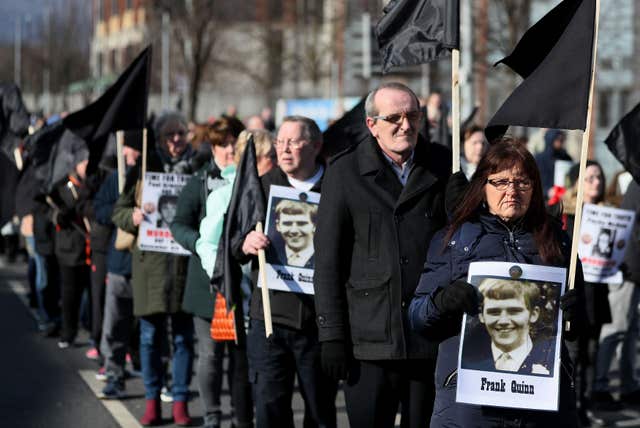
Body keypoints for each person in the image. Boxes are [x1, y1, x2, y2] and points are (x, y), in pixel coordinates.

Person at [409, 138, 582, 427]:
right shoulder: (454, 239)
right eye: (500, 182)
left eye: (522, 182)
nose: (512, 191)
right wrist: (441, 301)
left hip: (540, 401)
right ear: (482, 187)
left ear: (535, 188)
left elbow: (578, 327)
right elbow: (416, 317)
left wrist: (577, 313)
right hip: (470, 402)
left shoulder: (557, 239)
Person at [313, 82, 451, 428]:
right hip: (370, 340)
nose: (405, 125)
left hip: (427, 336)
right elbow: (328, 262)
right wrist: (331, 334)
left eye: (413, 116)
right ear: (372, 124)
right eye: (394, 117)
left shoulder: (444, 166)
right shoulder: (344, 173)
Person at [240, 116, 337, 428]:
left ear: (316, 146)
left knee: (320, 411)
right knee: (269, 409)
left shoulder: (336, 187)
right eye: (280, 142)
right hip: (270, 320)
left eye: (294, 142)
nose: (284, 149)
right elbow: (231, 242)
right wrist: (245, 243)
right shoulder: (261, 187)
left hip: (319, 323)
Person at [112, 112, 195, 426]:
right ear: (159, 139)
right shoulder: (144, 168)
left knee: (184, 338)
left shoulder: (199, 168)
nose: (176, 140)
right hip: (151, 265)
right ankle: (151, 400)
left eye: (181, 133)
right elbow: (118, 211)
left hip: (186, 264)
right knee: (149, 336)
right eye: (170, 134)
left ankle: (181, 401)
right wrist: (132, 216)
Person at [170, 117, 253, 428]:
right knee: (211, 355)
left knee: (240, 357)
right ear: (213, 147)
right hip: (210, 282)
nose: (230, 149)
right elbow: (179, 224)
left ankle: (240, 415)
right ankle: (213, 414)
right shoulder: (200, 181)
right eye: (222, 144)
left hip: (245, 283)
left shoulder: (252, 179)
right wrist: (204, 244)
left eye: (234, 142)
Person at [551, 160, 614, 417]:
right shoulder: (564, 212)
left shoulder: (610, 213)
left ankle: (587, 406)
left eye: (599, 177)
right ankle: (571, 406)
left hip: (598, 292)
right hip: (577, 291)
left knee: (592, 351)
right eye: (589, 178)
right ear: (577, 182)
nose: (596, 182)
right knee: (574, 353)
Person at [93, 131, 142, 399]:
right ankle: (113, 374)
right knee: (115, 323)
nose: (127, 153)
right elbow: (99, 210)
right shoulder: (117, 179)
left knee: (149, 328)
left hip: (150, 265)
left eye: (132, 148)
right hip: (121, 263)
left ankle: (156, 379)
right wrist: (122, 212)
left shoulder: (153, 178)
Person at [592, 179, 640, 408]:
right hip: (629, 266)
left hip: (633, 267)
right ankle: (600, 387)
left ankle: (628, 385)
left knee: (630, 330)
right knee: (617, 328)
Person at [462, 279, 554, 375]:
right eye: (494, 312)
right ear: (481, 316)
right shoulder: (468, 359)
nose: (503, 321)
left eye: (514, 311)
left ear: (533, 314)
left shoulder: (549, 359)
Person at [265, 200, 317, 268]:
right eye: (287, 223)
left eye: (302, 224)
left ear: (314, 226)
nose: (294, 230)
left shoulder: (326, 258)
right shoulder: (269, 255)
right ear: (278, 226)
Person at [534, 129, 573, 200]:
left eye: (562, 140)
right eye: (558, 139)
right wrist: (547, 191)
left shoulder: (566, 158)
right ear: (550, 139)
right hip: (543, 199)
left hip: (563, 198)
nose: (560, 142)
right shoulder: (539, 158)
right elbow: (535, 181)